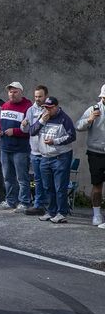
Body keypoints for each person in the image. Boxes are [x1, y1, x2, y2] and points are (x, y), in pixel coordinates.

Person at [29, 96, 76, 223]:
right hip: (45, 157)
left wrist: (55, 141)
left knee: (60, 187)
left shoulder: (64, 119)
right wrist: (41, 122)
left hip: (61, 157)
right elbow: (32, 132)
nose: (47, 110)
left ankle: (61, 213)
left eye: (49, 108)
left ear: (56, 107)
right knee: (47, 187)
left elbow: (72, 136)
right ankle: (51, 211)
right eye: (45, 107)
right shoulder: (43, 117)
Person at [0, 81, 33, 212]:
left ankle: (25, 202)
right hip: (5, 147)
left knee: (22, 178)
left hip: (21, 149)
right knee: (8, 177)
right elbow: (0, 124)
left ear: (21, 92)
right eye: (10, 91)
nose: (12, 94)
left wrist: (15, 131)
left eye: (15, 91)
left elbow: (31, 128)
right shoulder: (4, 106)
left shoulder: (28, 107)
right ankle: (11, 201)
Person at [75, 84, 105, 228]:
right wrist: (90, 119)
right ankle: (97, 214)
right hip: (96, 153)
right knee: (97, 185)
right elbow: (78, 126)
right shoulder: (94, 109)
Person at [20, 85, 49, 215]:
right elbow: (27, 131)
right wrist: (23, 125)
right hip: (35, 151)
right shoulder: (30, 110)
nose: (37, 99)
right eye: (36, 96)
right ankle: (38, 205)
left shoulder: (50, 109)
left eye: (40, 96)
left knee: (48, 180)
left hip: (48, 152)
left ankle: (50, 206)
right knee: (37, 180)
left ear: (45, 96)